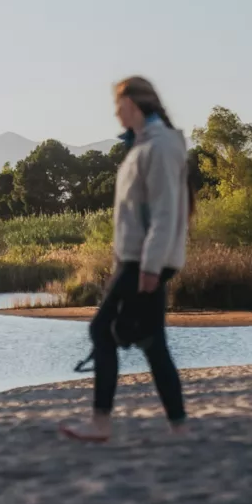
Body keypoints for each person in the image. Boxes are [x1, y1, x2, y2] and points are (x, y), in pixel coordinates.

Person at [61, 76, 191, 442]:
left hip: (142, 261)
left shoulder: (161, 145)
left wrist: (150, 266)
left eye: (118, 103)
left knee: (101, 330)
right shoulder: (143, 144)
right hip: (135, 258)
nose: (115, 110)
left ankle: (101, 423)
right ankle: (179, 427)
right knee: (152, 341)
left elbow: (165, 212)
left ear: (133, 103)